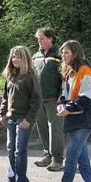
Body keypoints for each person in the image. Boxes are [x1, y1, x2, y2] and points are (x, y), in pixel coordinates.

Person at [48, 40, 91, 182]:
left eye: (67, 53)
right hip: (76, 119)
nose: (63, 56)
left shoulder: (84, 70)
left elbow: (87, 98)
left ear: (75, 54)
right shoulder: (69, 71)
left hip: (84, 119)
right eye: (62, 53)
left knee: (71, 156)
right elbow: (65, 95)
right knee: (82, 159)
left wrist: (68, 108)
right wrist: (62, 104)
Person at [0, 45, 42, 182]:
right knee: (10, 149)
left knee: (20, 151)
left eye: (19, 57)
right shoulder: (10, 76)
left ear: (25, 59)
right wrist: (2, 113)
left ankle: (21, 181)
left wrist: (29, 119)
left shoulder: (30, 76)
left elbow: (37, 101)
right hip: (11, 118)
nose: (16, 60)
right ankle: (12, 178)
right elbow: (5, 96)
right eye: (14, 57)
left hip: (24, 120)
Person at [32, 27, 65, 171]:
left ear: (50, 39)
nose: (39, 41)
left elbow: (65, 77)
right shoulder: (35, 56)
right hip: (38, 99)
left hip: (54, 98)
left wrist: (62, 95)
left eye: (42, 38)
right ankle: (47, 155)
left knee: (56, 129)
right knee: (42, 127)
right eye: (38, 39)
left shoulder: (60, 55)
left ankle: (58, 159)